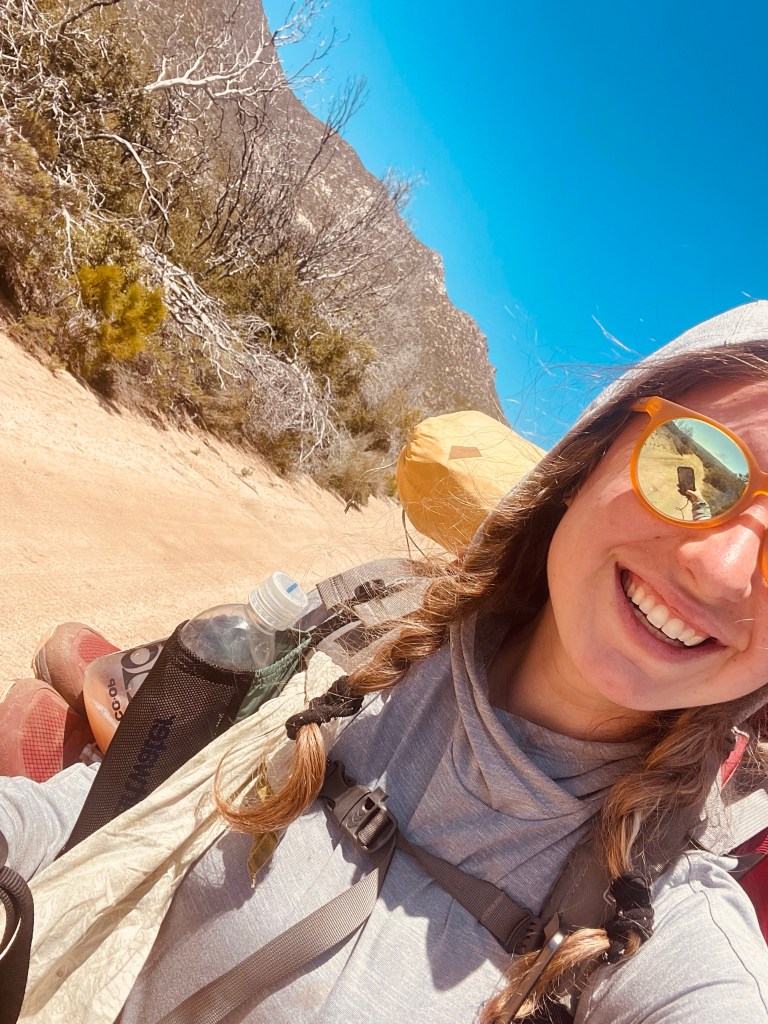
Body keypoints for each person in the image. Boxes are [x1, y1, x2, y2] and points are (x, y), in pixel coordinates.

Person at [3, 302, 768, 1024]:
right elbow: (115, 822)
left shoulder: (667, 926)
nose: (722, 570)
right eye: (693, 470)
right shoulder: (365, 628)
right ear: (590, 460)